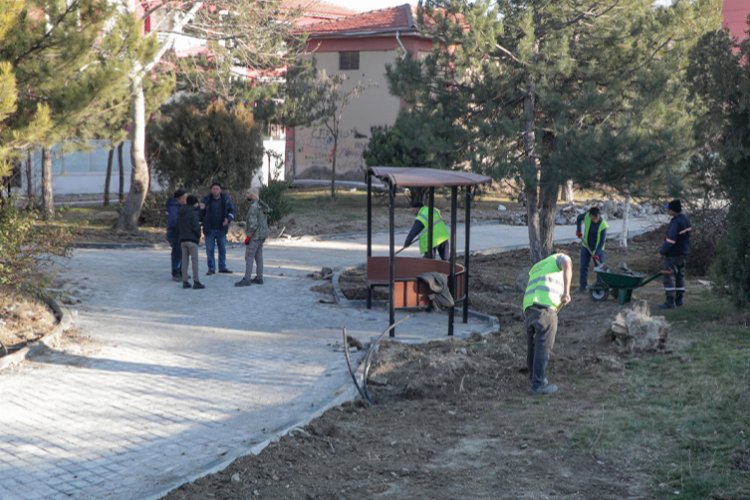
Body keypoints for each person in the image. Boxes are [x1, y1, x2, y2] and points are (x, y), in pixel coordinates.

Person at [523, 252, 572, 395]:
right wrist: (566, 292)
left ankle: (533, 378)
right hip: (545, 307)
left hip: (529, 307)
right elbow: (567, 264)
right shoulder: (561, 257)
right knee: (543, 346)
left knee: (533, 345)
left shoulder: (538, 266)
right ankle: (538, 385)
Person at [659, 199, 692, 309]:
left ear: (673, 210)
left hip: (673, 254)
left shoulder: (676, 222)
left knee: (668, 276)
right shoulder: (685, 220)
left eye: (668, 209)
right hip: (683, 253)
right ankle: (679, 300)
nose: (667, 211)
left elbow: (670, 240)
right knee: (680, 277)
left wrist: (662, 252)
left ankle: (670, 302)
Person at [236, 186, 270, 287]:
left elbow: (253, 224)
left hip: (254, 237)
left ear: (252, 195)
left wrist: (248, 237)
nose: (246, 196)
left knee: (249, 257)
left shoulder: (254, 207)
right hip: (261, 236)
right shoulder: (261, 206)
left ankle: (247, 279)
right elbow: (268, 210)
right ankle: (259, 278)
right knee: (259, 257)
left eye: (248, 194)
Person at [200, 182, 235, 275]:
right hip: (209, 229)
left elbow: (232, 211)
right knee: (209, 250)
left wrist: (228, 219)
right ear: (211, 190)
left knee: (222, 249)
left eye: (217, 189)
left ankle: (222, 267)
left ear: (220, 190)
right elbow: (200, 214)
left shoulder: (226, 199)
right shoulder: (206, 200)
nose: (215, 190)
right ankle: (211, 269)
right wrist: (201, 209)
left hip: (221, 229)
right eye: (214, 189)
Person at [575, 206, 608, 292]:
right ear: (590, 215)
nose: (595, 220)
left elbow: (602, 241)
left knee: (600, 269)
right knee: (583, 267)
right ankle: (583, 287)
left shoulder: (603, 225)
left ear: (599, 216)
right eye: (593, 218)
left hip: (598, 249)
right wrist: (578, 230)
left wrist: (596, 253)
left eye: (596, 218)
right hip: (586, 246)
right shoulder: (587, 216)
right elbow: (579, 218)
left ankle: (600, 288)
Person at [178, 195, 205, 290]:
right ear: (194, 203)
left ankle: (185, 281)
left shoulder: (181, 211)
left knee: (184, 261)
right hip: (192, 240)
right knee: (194, 261)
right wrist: (198, 236)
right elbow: (195, 227)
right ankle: (196, 281)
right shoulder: (193, 212)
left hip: (182, 239)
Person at [166, 189, 186, 281]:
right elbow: (173, 221)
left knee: (183, 252)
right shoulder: (174, 207)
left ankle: (182, 271)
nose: (186, 198)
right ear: (180, 198)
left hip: (182, 232)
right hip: (176, 233)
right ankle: (176, 273)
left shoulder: (182, 206)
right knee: (177, 253)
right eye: (185, 197)